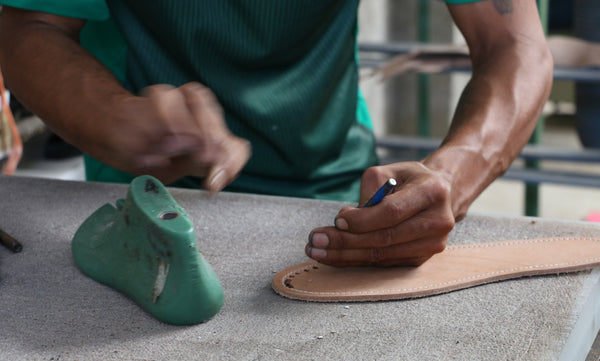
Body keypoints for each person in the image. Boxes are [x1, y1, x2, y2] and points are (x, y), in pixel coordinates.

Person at [0, 1, 553, 268]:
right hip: (144, 207)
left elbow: (514, 45)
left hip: (337, 188)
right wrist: (113, 117)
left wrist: (447, 180)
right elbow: (29, 25)